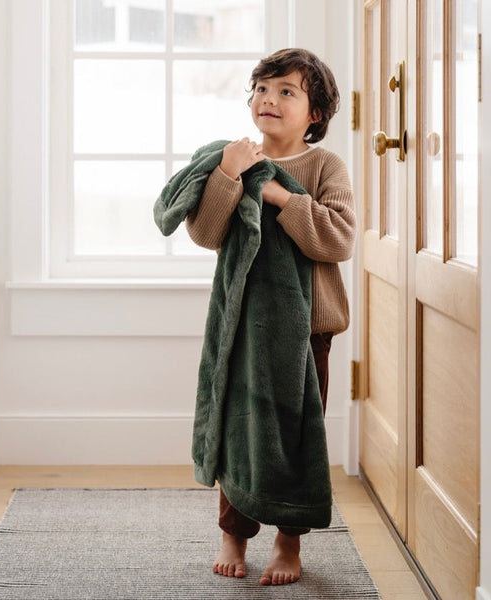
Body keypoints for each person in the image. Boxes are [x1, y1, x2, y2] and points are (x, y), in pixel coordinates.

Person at [185, 48, 356, 586]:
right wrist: (229, 177)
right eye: (262, 88)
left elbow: (339, 238)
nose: (269, 99)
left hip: (308, 329)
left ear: (316, 114)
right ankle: (233, 531)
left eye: (287, 91)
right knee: (239, 431)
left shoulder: (325, 166)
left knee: (293, 434)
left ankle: (289, 540)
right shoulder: (231, 159)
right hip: (242, 325)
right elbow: (207, 233)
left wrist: (282, 195)